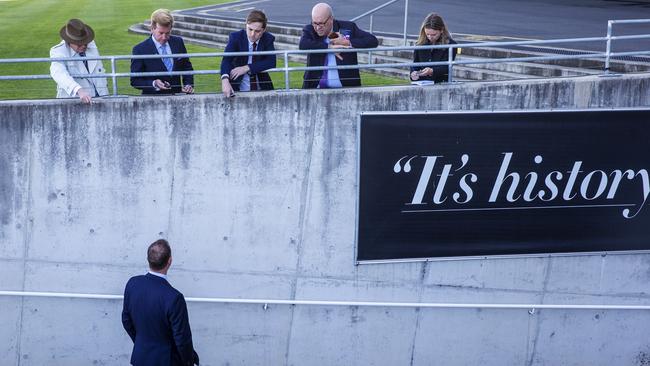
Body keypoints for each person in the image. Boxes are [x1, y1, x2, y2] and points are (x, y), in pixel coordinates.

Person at [122, 239, 200, 366]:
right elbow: (182, 339)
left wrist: (142, 343)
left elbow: (126, 320)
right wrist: (189, 362)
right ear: (170, 261)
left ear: (148, 259)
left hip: (140, 358)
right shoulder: (174, 297)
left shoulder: (133, 283)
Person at [299, 2, 378, 89]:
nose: (318, 27)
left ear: (331, 19)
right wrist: (329, 48)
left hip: (346, 89)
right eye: (315, 23)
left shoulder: (348, 27)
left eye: (321, 23)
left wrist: (347, 42)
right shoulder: (310, 29)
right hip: (315, 87)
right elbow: (303, 44)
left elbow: (373, 40)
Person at [131, 9, 194, 95]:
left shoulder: (178, 42)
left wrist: (188, 84)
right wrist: (154, 83)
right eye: (161, 33)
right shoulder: (140, 49)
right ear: (152, 28)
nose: (164, 37)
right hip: (153, 100)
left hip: (178, 98)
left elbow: (187, 67)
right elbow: (135, 80)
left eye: (167, 33)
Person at [50, 19, 108, 104]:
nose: (84, 46)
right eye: (79, 44)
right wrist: (78, 90)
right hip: (75, 102)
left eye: (85, 42)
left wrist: (105, 94)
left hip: (101, 98)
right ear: (69, 41)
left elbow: (100, 70)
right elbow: (59, 74)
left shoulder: (91, 44)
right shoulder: (58, 51)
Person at [220, 9, 276, 98]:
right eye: (250, 29)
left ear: (264, 29)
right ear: (246, 25)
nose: (252, 34)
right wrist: (225, 80)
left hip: (262, 86)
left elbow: (271, 61)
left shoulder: (268, 38)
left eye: (257, 31)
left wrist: (247, 68)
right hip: (238, 85)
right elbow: (226, 60)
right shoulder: (236, 37)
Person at [409, 13, 457, 84]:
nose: (430, 37)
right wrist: (413, 73)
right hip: (421, 83)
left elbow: (447, 67)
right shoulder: (419, 44)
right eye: (427, 34)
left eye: (434, 34)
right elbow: (416, 63)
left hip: (440, 83)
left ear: (441, 30)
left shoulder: (451, 44)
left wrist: (432, 71)